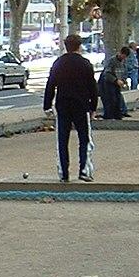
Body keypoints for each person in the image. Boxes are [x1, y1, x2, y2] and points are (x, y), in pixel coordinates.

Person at [43, 33, 98, 181]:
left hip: (63, 104)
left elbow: (50, 85)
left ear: (66, 47)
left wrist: (47, 105)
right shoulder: (85, 63)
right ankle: (84, 171)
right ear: (79, 47)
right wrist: (93, 107)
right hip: (81, 105)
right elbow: (92, 87)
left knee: (62, 139)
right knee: (84, 139)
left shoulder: (58, 63)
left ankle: (64, 174)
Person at [97, 48, 127, 121]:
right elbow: (107, 74)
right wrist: (116, 80)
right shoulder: (112, 61)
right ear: (120, 53)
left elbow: (124, 72)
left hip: (117, 83)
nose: (123, 58)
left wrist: (123, 81)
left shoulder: (123, 62)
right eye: (122, 56)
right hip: (108, 83)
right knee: (110, 99)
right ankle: (109, 116)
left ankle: (117, 115)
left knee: (117, 99)